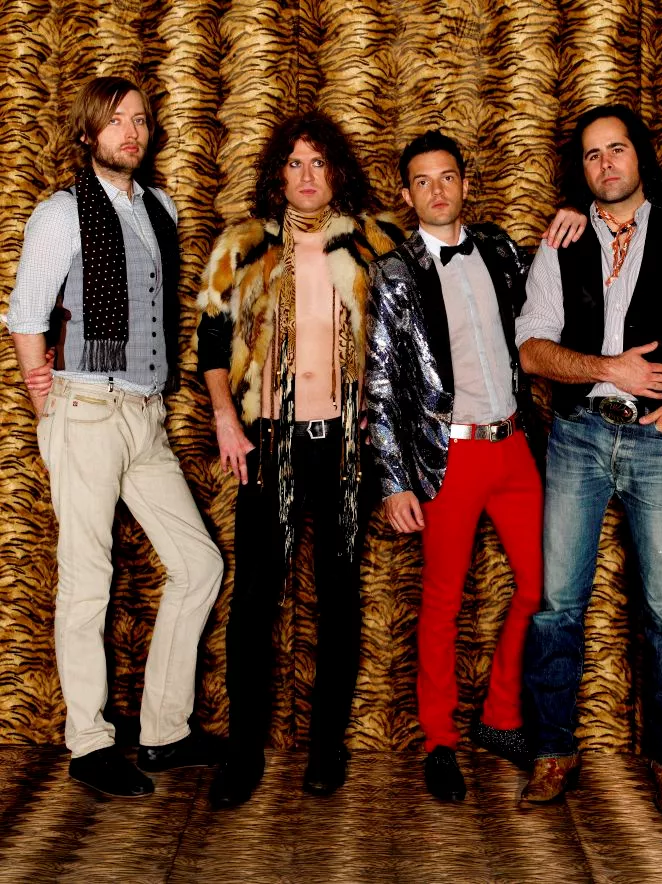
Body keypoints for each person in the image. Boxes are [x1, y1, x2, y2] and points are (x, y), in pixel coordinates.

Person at [517, 105, 662, 818]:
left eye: (616, 149)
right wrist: (608, 368)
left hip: (659, 443)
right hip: (577, 437)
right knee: (558, 606)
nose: (606, 163)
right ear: (581, 169)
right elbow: (532, 349)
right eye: (592, 154)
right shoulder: (561, 241)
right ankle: (553, 751)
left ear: (640, 157)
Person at [7, 76, 223, 798]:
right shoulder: (59, 213)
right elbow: (27, 315)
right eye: (115, 121)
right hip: (86, 408)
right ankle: (89, 742)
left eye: (140, 120)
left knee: (199, 565)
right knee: (88, 578)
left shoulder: (160, 208)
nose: (131, 132)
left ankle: (164, 731)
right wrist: (48, 400)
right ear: (88, 133)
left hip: (146, 415)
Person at [365, 130, 585, 802]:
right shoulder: (393, 274)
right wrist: (394, 482)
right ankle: (439, 740)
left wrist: (574, 214)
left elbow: (552, 287)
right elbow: (379, 385)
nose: (437, 190)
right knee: (442, 603)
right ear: (407, 196)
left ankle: (500, 718)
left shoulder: (498, 248)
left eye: (447, 177)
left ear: (464, 183)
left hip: (514, 445)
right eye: (422, 181)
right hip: (449, 456)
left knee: (540, 588)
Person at [197, 111, 402, 809]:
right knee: (255, 599)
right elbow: (211, 341)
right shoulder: (244, 245)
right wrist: (226, 418)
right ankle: (243, 751)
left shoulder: (374, 243)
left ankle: (326, 748)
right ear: (277, 175)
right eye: (294, 163)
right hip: (271, 441)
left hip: (345, 445)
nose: (307, 176)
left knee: (339, 597)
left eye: (319, 163)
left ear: (336, 171)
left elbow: (416, 322)